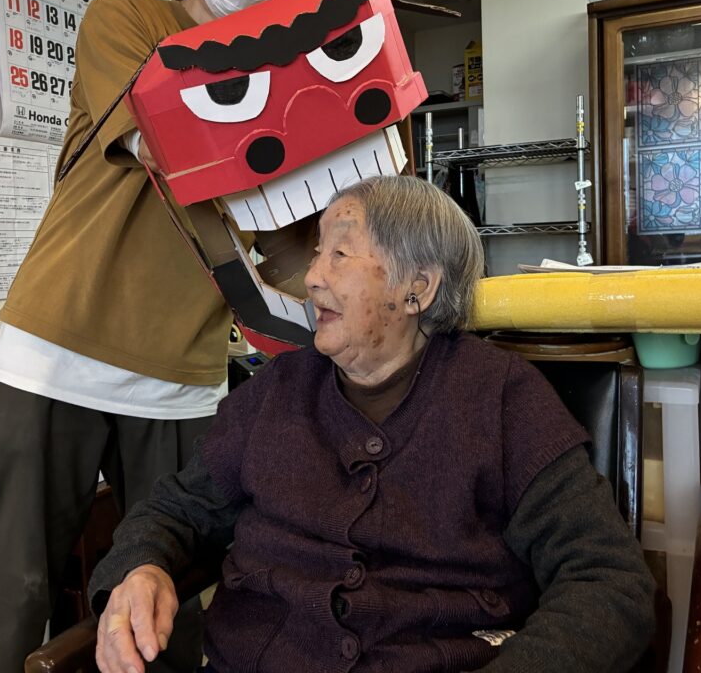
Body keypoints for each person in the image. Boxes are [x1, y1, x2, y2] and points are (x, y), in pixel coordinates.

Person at [89, 175, 657, 673]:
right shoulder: (276, 392)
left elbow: (608, 581)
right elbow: (177, 509)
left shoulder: (502, 399)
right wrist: (141, 568)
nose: (311, 278)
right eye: (317, 254)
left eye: (339, 254)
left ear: (418, 288)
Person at [0, 0, 296, 671]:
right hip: (55, 353)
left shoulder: (281, 88)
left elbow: (288, 241)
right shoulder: (127, 20)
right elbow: (167, 134)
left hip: (181, 378)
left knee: (171, 603)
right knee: (11, 596)